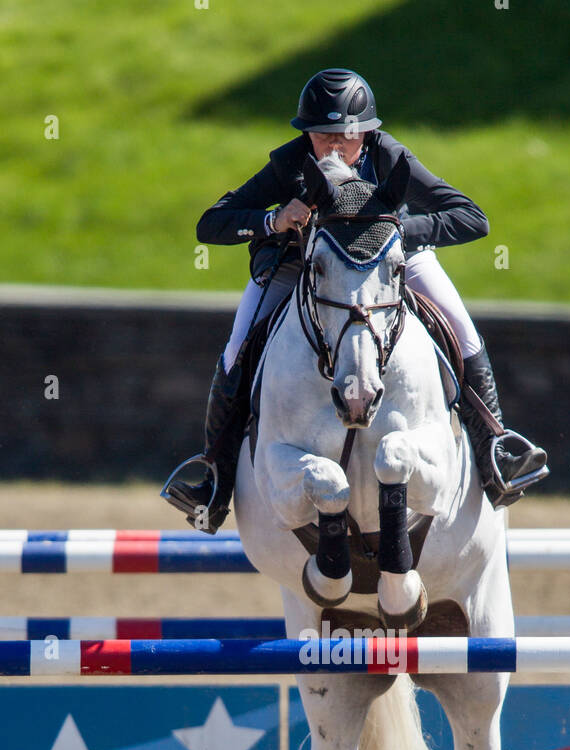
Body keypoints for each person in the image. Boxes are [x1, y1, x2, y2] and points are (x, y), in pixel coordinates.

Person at [165, 67, 547, 532]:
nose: (333, 148)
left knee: (463, 332)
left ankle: (496, 449)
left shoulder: (388, 155)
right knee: (237, 346)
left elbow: (471, 217)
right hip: (301, 268)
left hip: (389, 264)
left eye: (344, 137)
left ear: (367, 132)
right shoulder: (290, 163)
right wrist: (273, 221)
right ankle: (215, 476)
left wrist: (396, 230)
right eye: (321, 136)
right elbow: (211, 223)